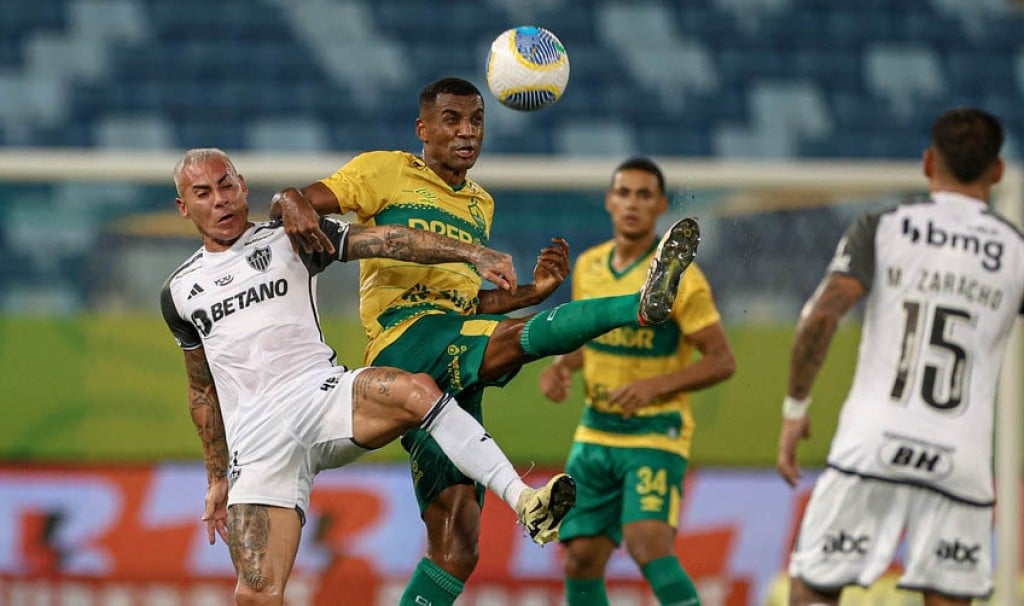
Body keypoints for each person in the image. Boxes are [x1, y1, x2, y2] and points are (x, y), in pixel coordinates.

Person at [270, 77, 702, 606]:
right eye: (451, 120)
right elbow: (299, 202)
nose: (466, 132)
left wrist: (529, 292)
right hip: (403, 346)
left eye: (476, 121)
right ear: (422, 129)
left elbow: (466, 307)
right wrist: (289, 199)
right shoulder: (383, 170)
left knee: (457, 546)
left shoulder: (480, 204)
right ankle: (637, 303)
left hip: (449, 352)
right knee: (522, 340)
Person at [160, 148, 578, 606]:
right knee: (258, 595)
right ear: (185, 207)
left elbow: (389, 241)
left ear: (242, 185)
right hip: (257, 445)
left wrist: (471, 253)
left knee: (417, 389)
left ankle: (524, 501)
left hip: (321, 397)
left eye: (225, 186)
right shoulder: (179, 292)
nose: (219, 200)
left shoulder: (290, 236)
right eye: (203, 193)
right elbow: (202, 388)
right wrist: (217, 478)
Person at [776, 107, 1024, 606]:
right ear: (997, 172)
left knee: (811, 593)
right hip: (962, 461)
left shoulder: (884, 227)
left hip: (873, 445)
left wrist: (795, 410)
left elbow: (820, 318)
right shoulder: (1016, 250)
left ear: (928, 163)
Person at [537, 157, 736, 606]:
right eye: (624, 193)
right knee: (580, 559)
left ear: (661, 205)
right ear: (609, 201)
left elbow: (723, 361)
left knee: (647, 544)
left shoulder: (683, 278)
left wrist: (655, 386)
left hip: (655, 430)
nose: (632, 203)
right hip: (596, 428)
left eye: (644, 195)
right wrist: (562, 367)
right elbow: (593, 339)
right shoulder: (588, 266)